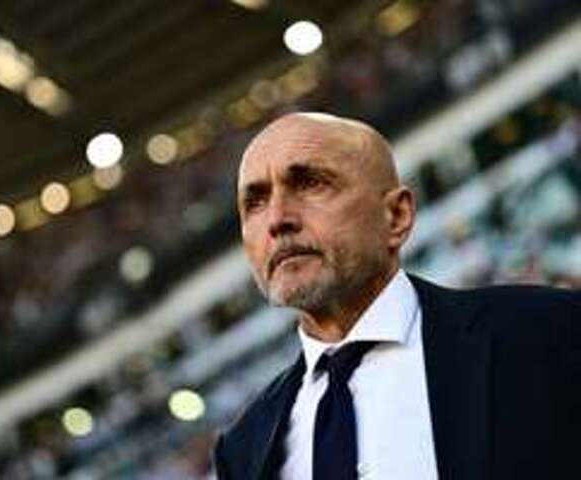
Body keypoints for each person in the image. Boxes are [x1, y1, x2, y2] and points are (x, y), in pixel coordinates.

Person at [213, 112, 581, 480]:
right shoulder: (243, 448)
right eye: (255, 202)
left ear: (396, 215)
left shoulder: (544, 331)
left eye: (310, 183)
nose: (277, 219)